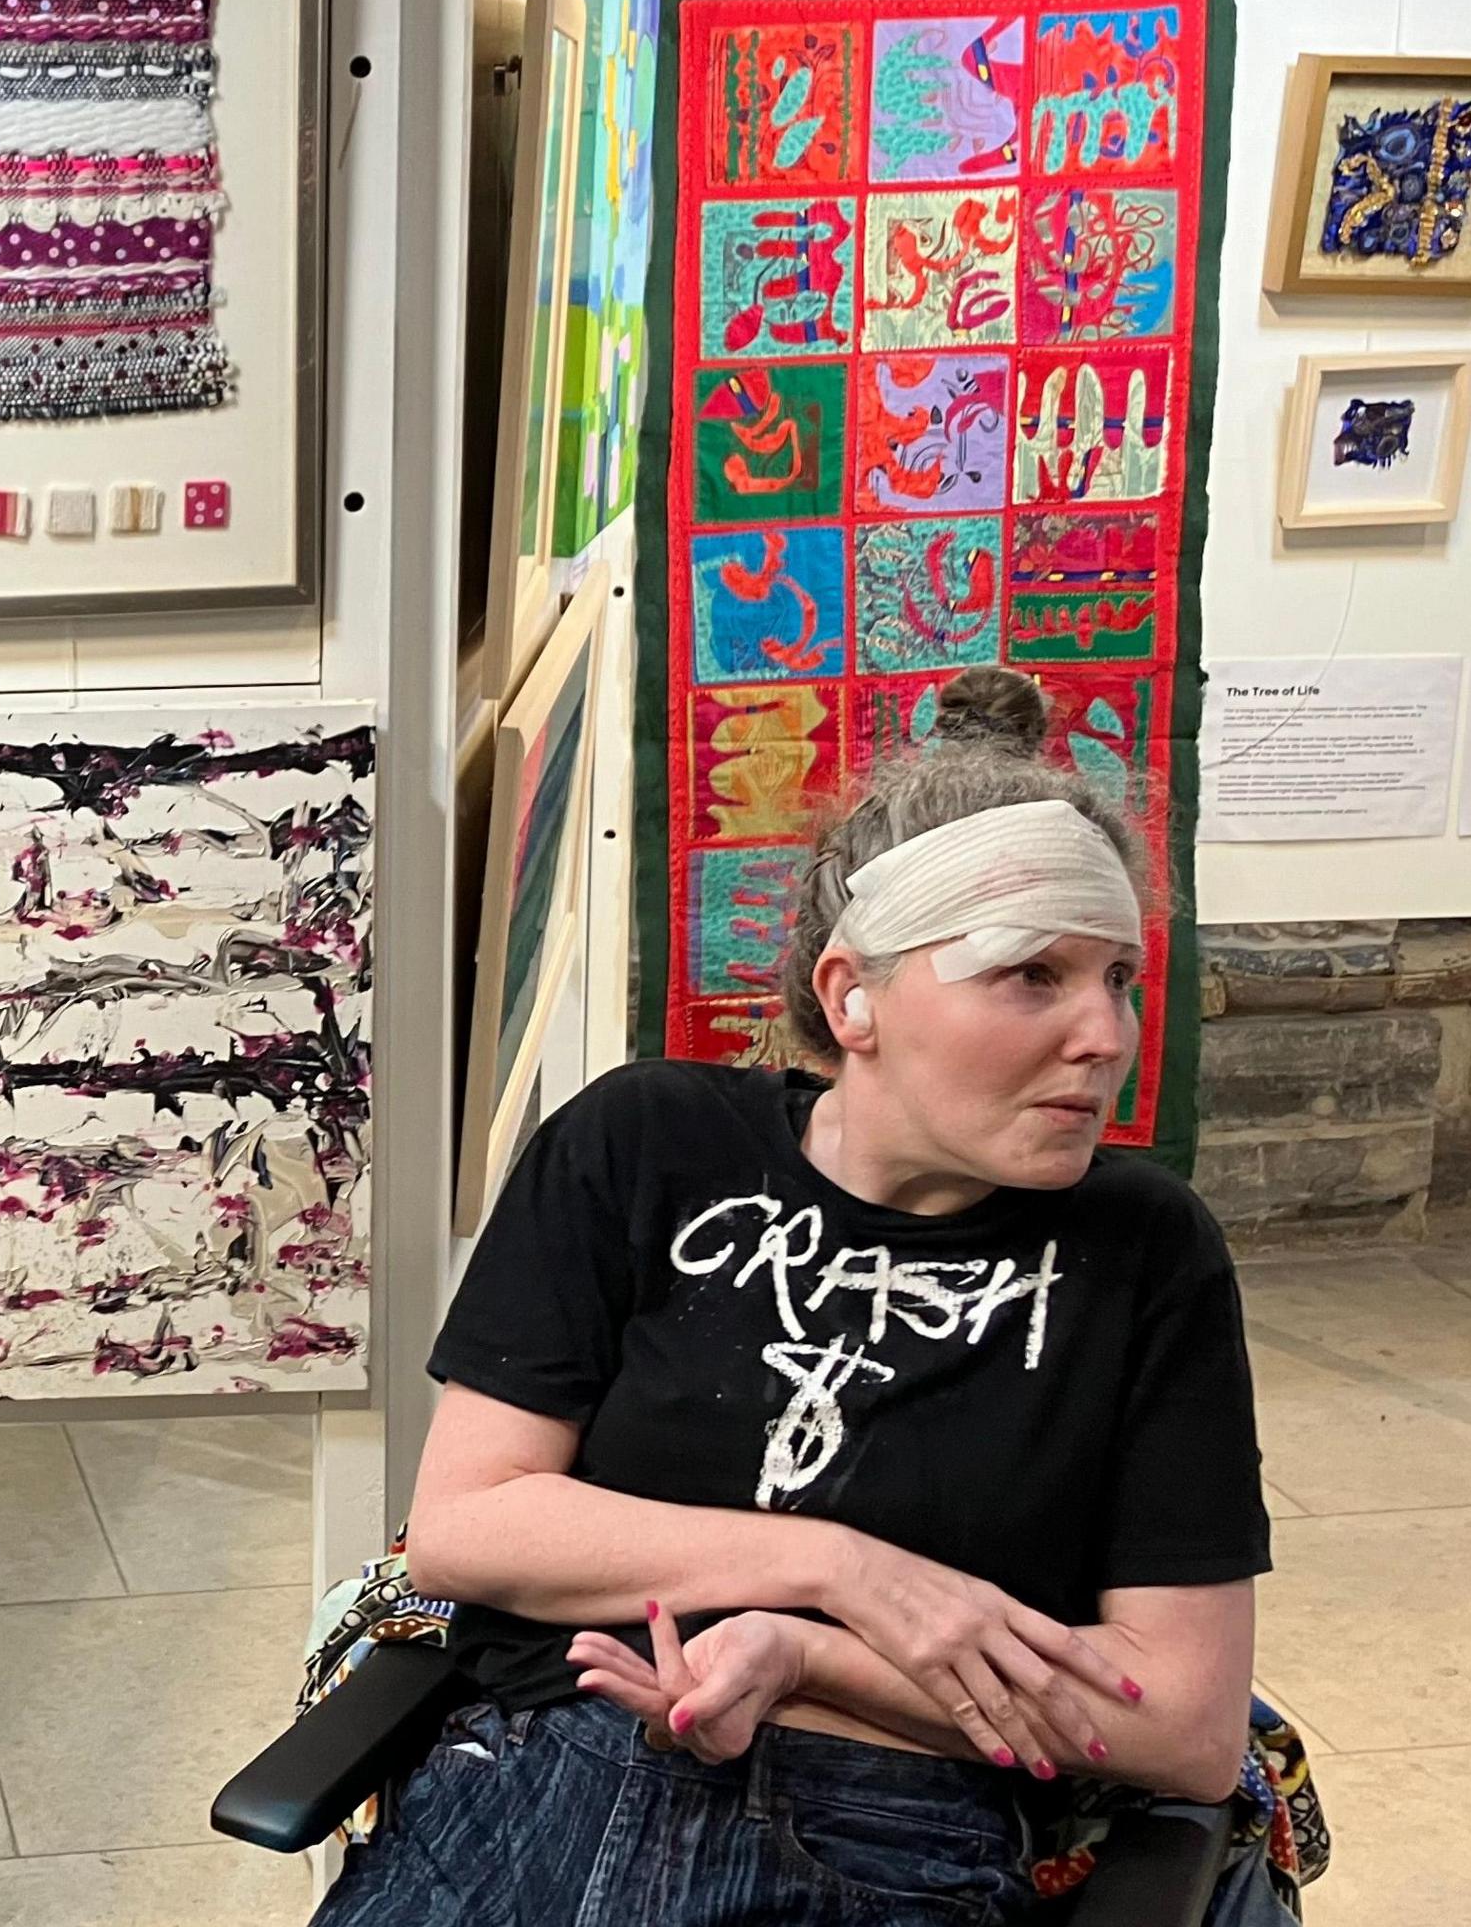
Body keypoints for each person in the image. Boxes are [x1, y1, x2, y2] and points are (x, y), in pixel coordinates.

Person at [316, 666, 1270, 1927]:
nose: (1103, 1035)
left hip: (892, 1829)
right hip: (547, 1774)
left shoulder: (1144, 1253)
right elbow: (467, 1527)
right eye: (1032, 976)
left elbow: (1189, 1732)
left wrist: (806, 1652)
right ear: (851, 996)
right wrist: (837, 1570)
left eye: (1121, 981)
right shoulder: (644, 1144)